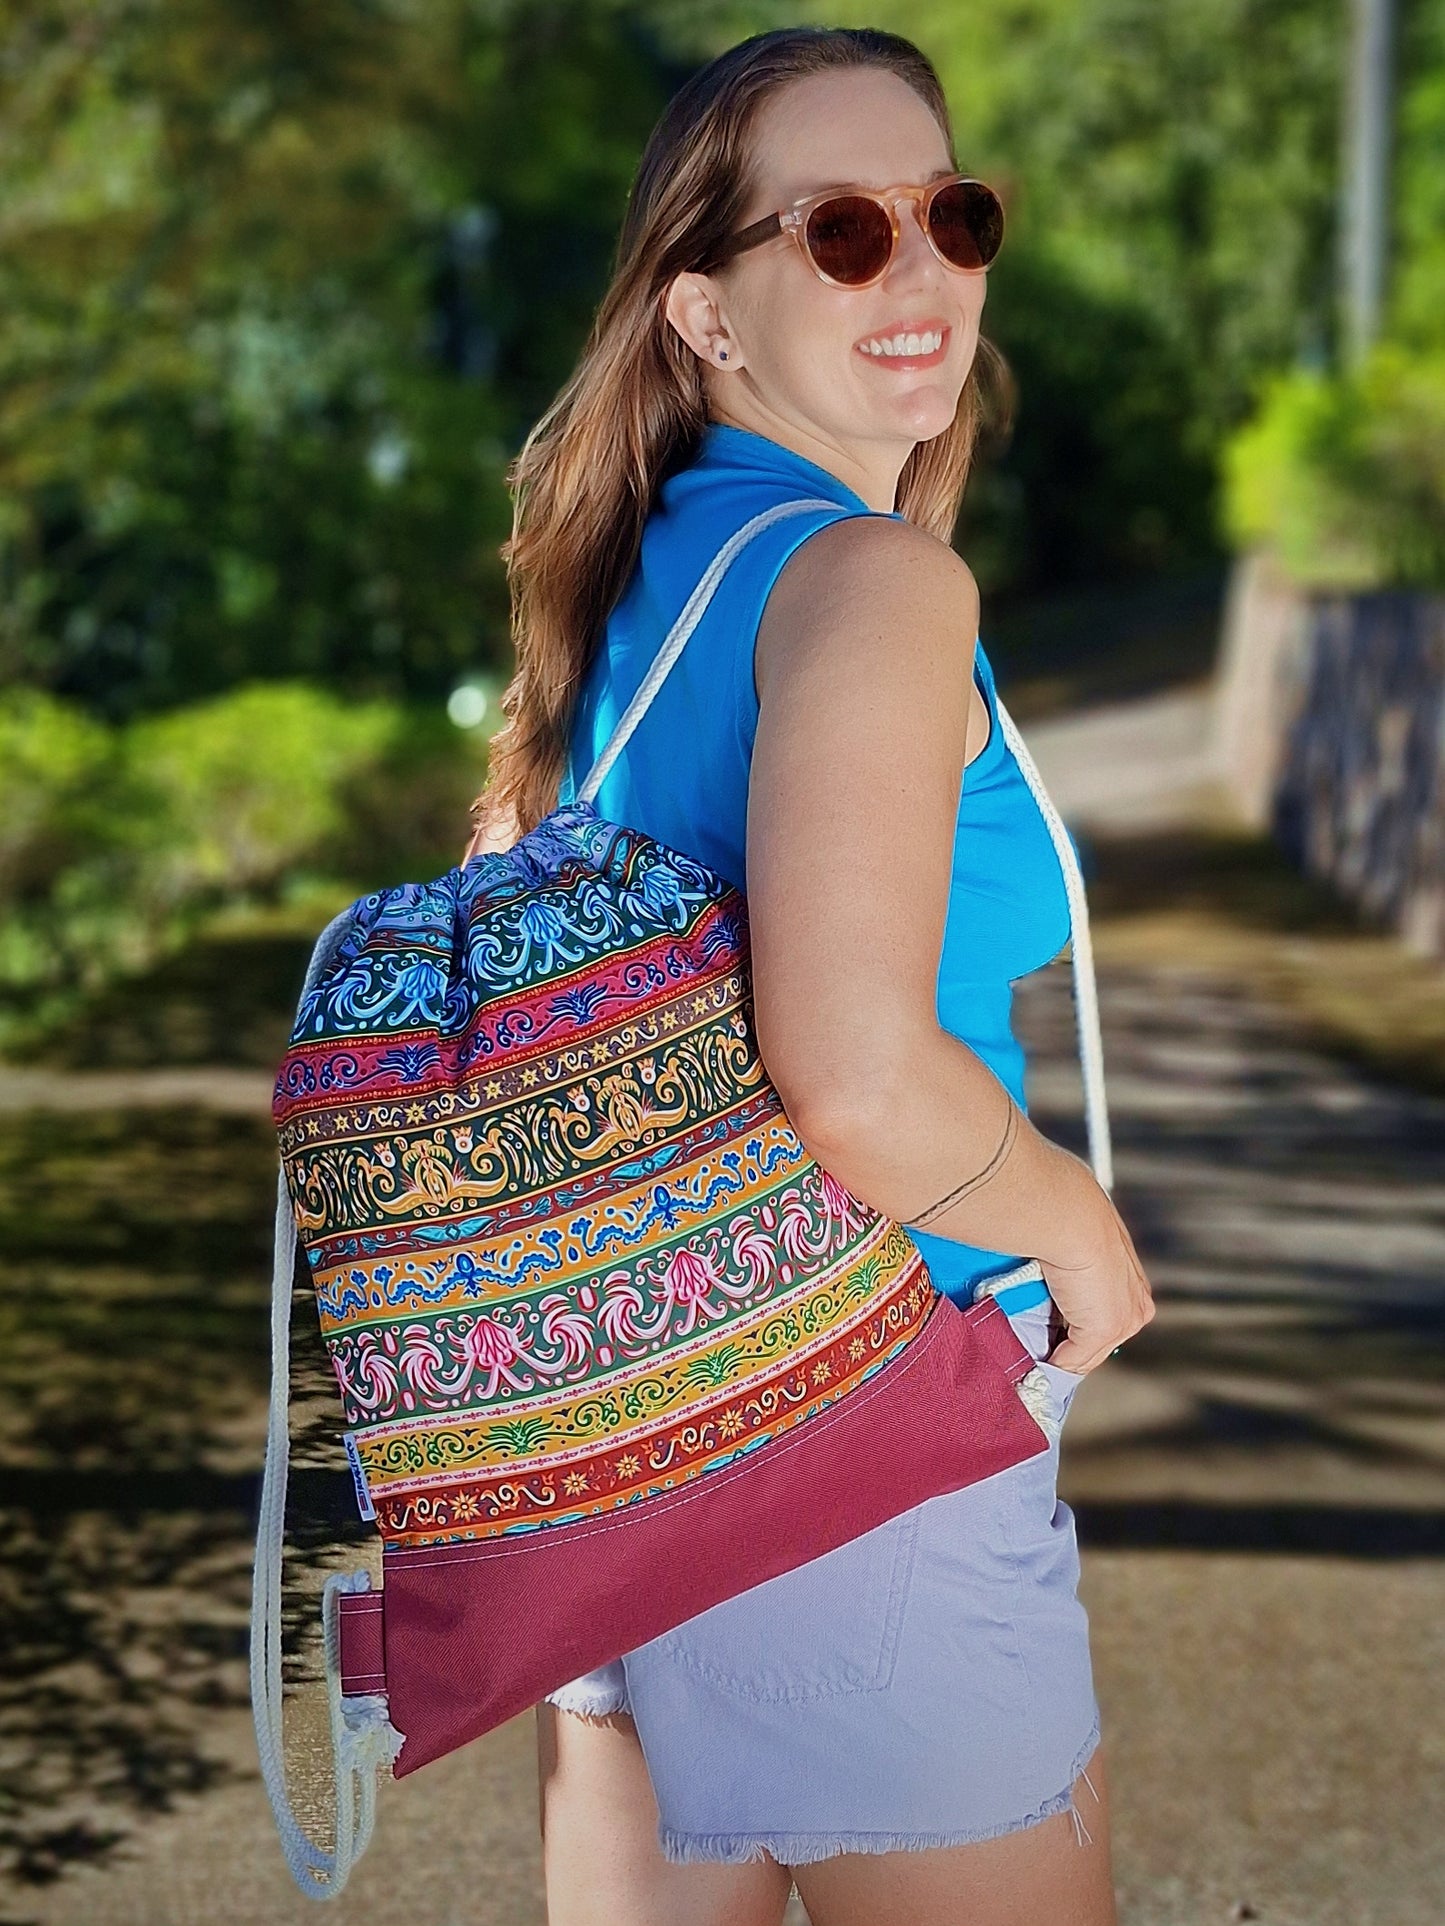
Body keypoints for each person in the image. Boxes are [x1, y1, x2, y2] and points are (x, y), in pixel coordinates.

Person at [466, 24, 1154, 1926]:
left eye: (951, 213)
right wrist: (1077, 1228)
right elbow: (850, 1072)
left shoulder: (628, 593)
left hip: (627, 1428)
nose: (917, 266)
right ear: (704, 311)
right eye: (841, 230)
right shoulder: (868, 584)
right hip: (862, 1433)